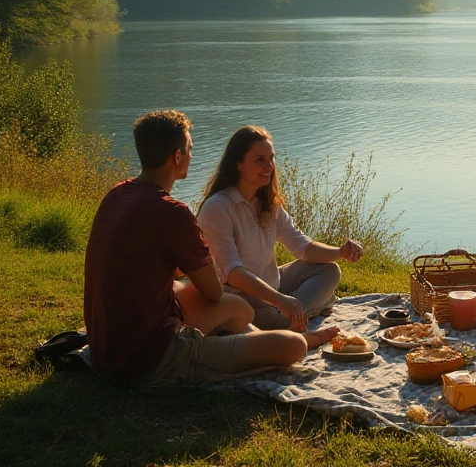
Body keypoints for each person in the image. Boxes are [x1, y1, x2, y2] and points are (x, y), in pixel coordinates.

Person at [83, 111, 337, 386]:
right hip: (152, 356)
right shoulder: (173, 212)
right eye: (190, 149)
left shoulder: (116, 194)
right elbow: (214, 291)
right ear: (177, 156)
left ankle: (262, 330)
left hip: (105, 348)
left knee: (239, 308)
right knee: (292, 347)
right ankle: (296, 337)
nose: (192, 156)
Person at [198, 126, 364, 332]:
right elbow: (232, 272)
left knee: (329, 270)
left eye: (271, 158)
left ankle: (303, 309)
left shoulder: (268, 203)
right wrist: (280, 301)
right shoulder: (218, 207)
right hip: (239, 299)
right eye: (259, 160)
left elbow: (302, 246)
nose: (269, 166)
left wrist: (340, 252)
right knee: (277, 321)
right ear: (238, 164)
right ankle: (311, 307)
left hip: (273, 283)